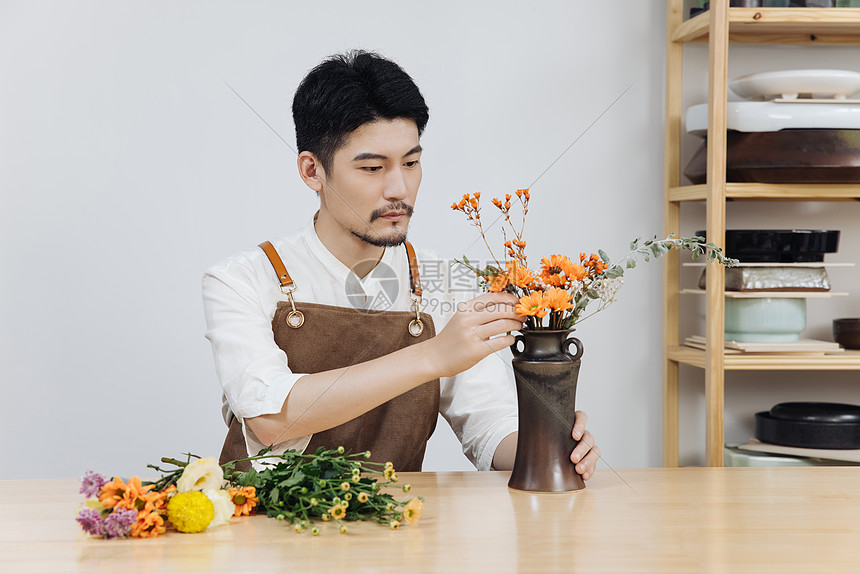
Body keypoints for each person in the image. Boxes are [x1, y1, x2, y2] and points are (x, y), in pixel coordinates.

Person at [203, 50, 600, 478]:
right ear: (312, 170)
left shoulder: (444, 281)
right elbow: (271, 418)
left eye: (411, 163)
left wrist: (548, 443)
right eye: (372, 167)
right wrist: (433, 356)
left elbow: (490, 426)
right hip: (265, 527)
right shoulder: (241, 279)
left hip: (393, 527)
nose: (400, 188)